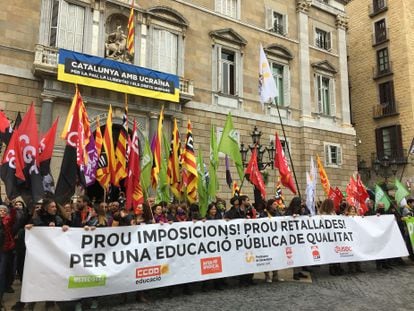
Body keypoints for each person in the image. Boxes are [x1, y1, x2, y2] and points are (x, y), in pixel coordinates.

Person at [286, 197, 310, 280]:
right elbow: (286, 219)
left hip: (301, 236)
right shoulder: (289, 211)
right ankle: (295, 273)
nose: (302, 203)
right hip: (293, 236)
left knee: (301, 254)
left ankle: (299, 271)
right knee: (295, 255)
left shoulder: (302, 209)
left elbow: (308, 214)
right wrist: (292, 217)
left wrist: (305, 208)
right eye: (301, 202)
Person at [0, 204, 16, 310]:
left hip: (4, 250)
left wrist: (12, 206)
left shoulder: (7, 221)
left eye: (3, 211)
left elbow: (13, 217)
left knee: (1, 273)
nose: (1, 212)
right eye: (0, 210)